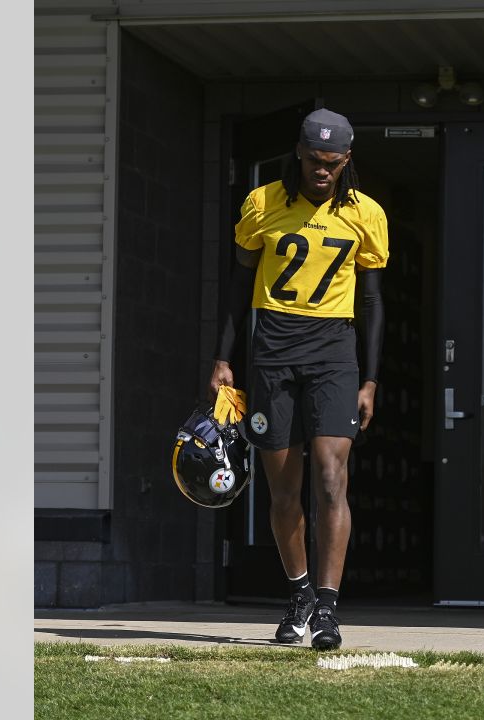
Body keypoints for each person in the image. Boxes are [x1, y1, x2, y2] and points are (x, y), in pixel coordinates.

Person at [209, 108, 388, 651]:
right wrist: (223, 358)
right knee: (283, 489)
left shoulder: (366, 213)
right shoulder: (261, 204)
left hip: (335, 349)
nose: (322, 171)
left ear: (346, 160)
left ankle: (329, 611)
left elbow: (374, 299)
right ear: (298, 153)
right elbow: (238, 289)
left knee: (332, 478)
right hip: (274, 350)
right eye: (314, 160)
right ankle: (299, 594)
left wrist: (371, 380)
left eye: (332, 163)